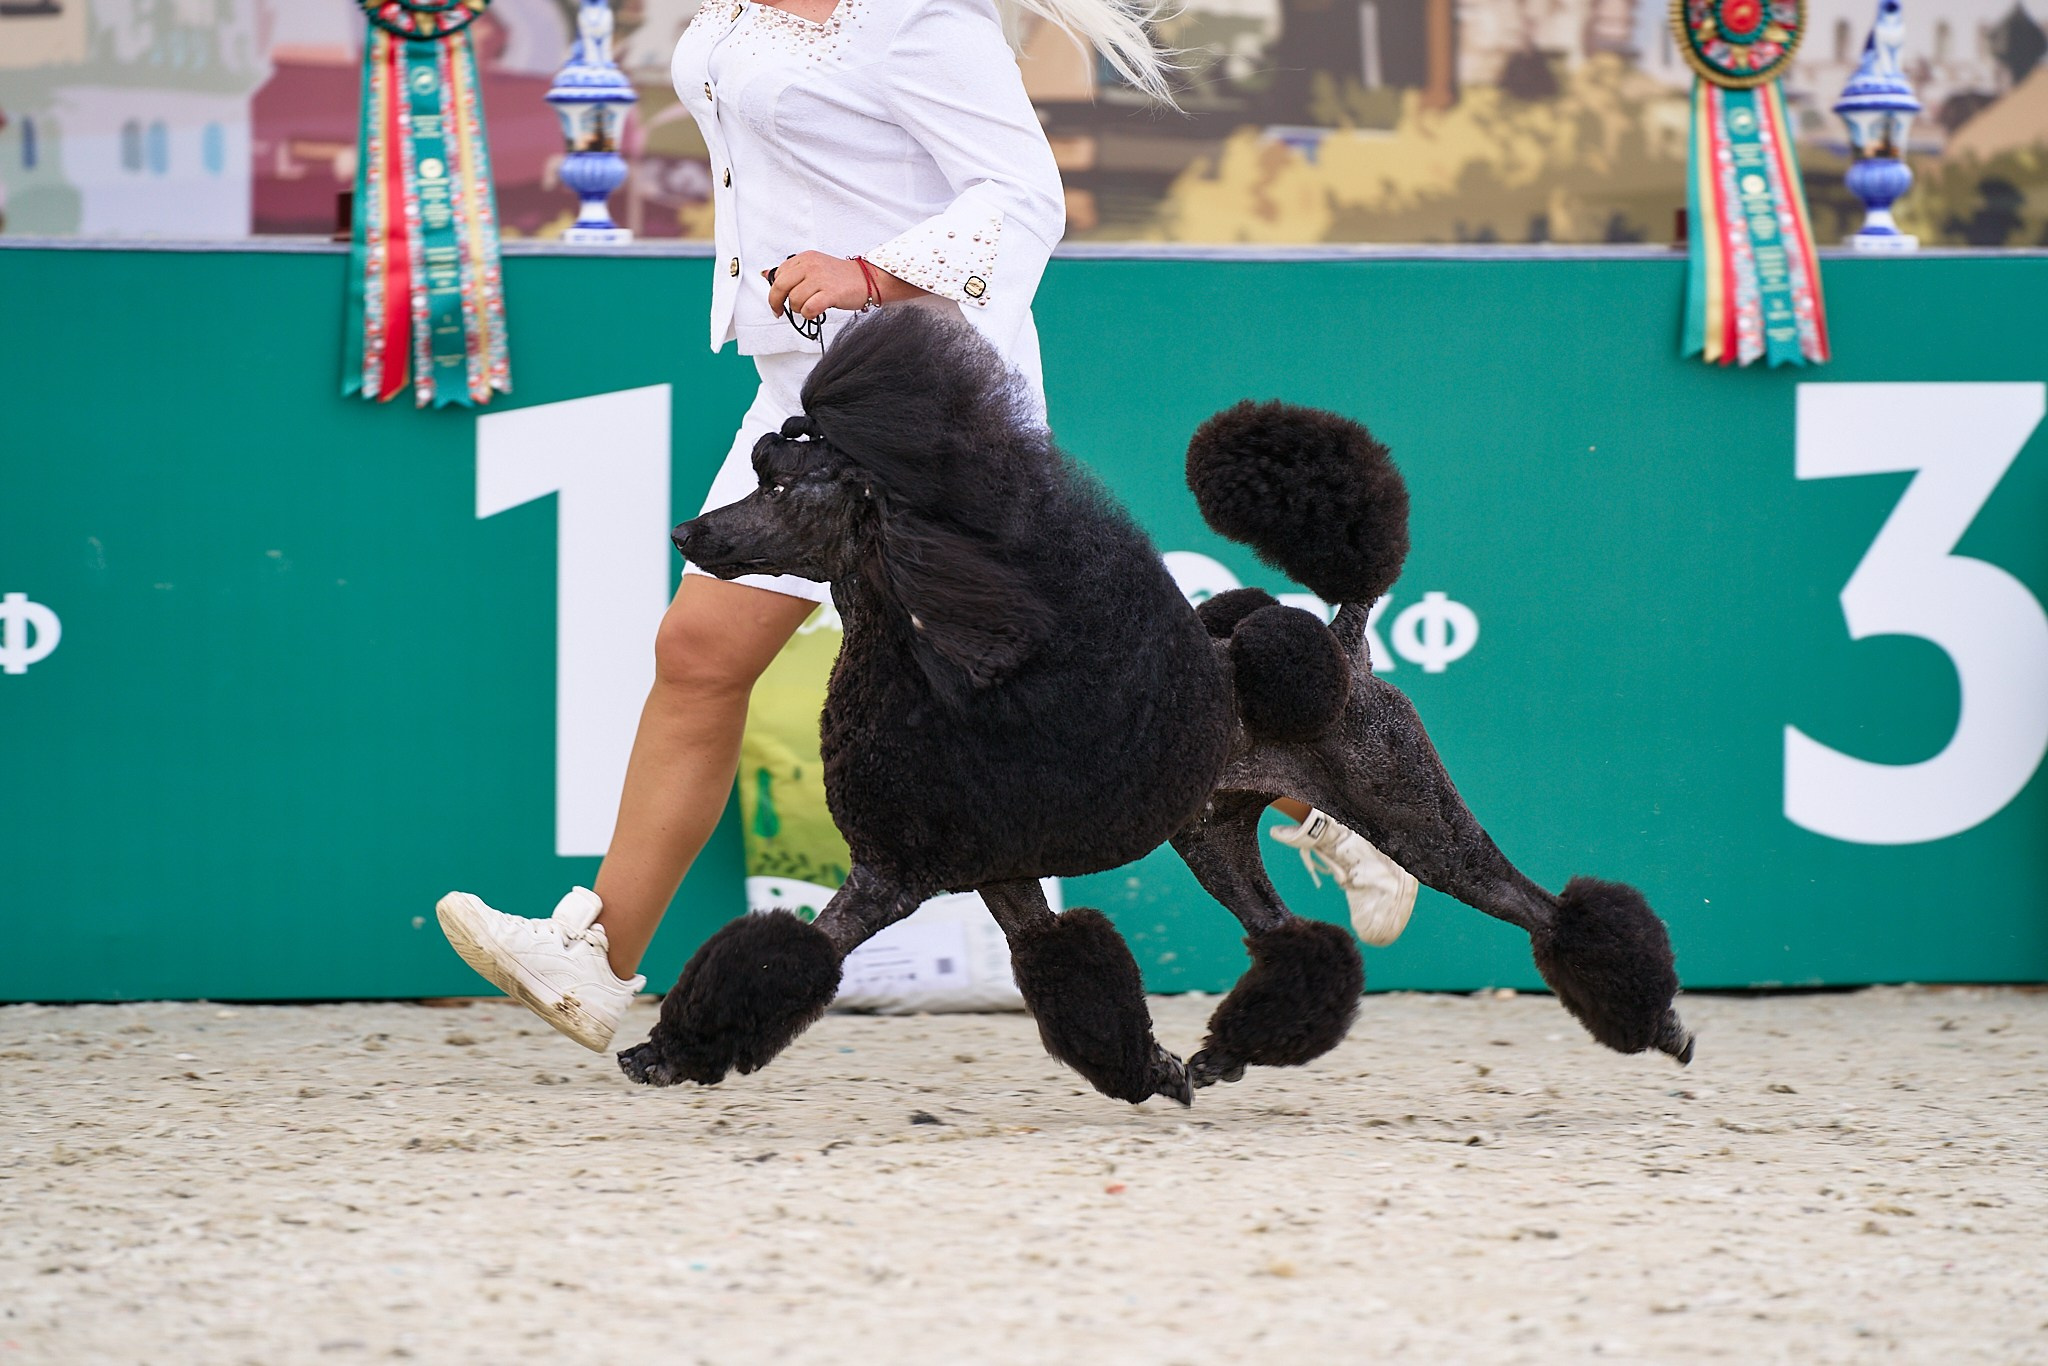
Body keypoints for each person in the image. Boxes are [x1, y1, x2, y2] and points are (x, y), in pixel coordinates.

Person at [435, 0, 1416, 1051]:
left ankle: (1330, 791)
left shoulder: (917, 20)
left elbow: (1025, 196)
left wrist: (872, 273)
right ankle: (596, 960)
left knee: (1062, 688)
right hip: (809, 388)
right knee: (700, 651)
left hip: (933, 397)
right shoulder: (735, 6)